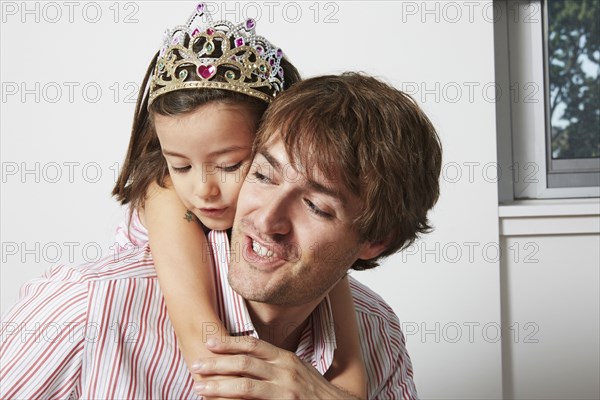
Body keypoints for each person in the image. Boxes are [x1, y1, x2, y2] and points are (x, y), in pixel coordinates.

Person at [0, 3, 370, 400]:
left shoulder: (364, 311)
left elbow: (343, 333)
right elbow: (204, 344)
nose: (203, 190)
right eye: (180, 166)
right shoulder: (163, 203)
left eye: (230, 165)